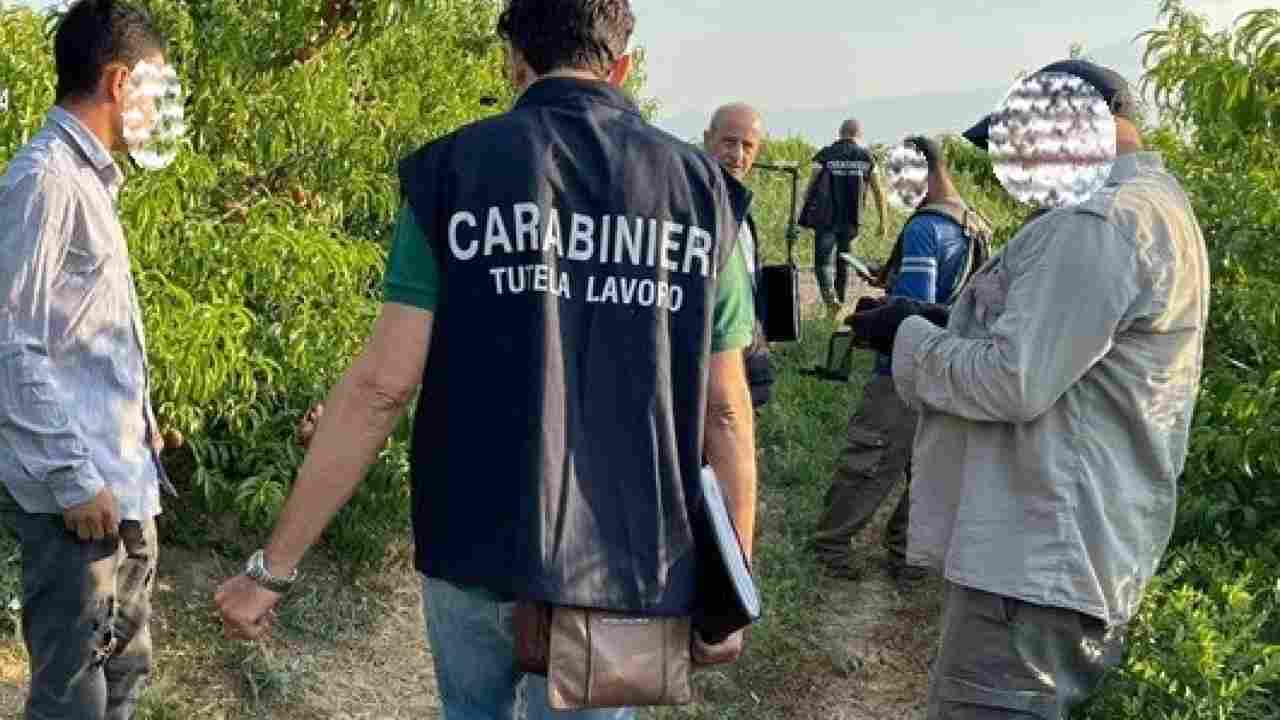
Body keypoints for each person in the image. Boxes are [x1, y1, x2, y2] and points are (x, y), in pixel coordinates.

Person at [215, 1, 760, 718]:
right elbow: (725, 410)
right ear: (621, 67)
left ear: (514, 64)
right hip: (624, 565)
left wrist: (272, 568)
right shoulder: (704, 195)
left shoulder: (451, 173)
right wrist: (733, 585)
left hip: (475, 543)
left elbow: (381, 386)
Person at [849, 59, 1211, 718]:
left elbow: (1012, 381)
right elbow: (1061, 357)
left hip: (1032, 572)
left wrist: (907, 334)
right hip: (1066, 566)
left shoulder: (1096, 224)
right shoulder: (1154, 210)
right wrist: (938, 322)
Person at [0, 2, 174, 718]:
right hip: (81, 506)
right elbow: (10, 340)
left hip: (121, 487)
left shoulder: (91, 183)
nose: (160, 112)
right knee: (72, 699)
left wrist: (143, 422)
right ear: (117, 80)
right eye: (156, 91)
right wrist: (72, 478)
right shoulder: (46, 180)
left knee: (121, 684)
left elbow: (80, 336)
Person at [811, 135, 988, 583]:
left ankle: (831, 546)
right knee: (929, 467)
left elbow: (914, 308)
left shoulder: (925, 229)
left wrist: (882, 305)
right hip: (955, 367)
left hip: (905, 368)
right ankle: (908, 558)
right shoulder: (973, 223)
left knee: (871, 455)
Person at [703, 102, 773, 409]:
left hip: (748, 356)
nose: (738, 155)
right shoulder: (694, 203)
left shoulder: (741, 207)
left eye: (748, 146)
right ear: (708, 139)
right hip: (714, 360)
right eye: (729, 142)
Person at [800, 118, 888, 313]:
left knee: (822, 262)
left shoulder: (826, 155)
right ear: (859, 135)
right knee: (843, 262)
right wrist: (883, 221)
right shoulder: (867, 157)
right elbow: (878, 191)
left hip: (826, 217)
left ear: (840, 133)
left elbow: (811, 185)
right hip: (851, 219)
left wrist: (802, 212)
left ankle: (831, 298)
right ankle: (837, 305)